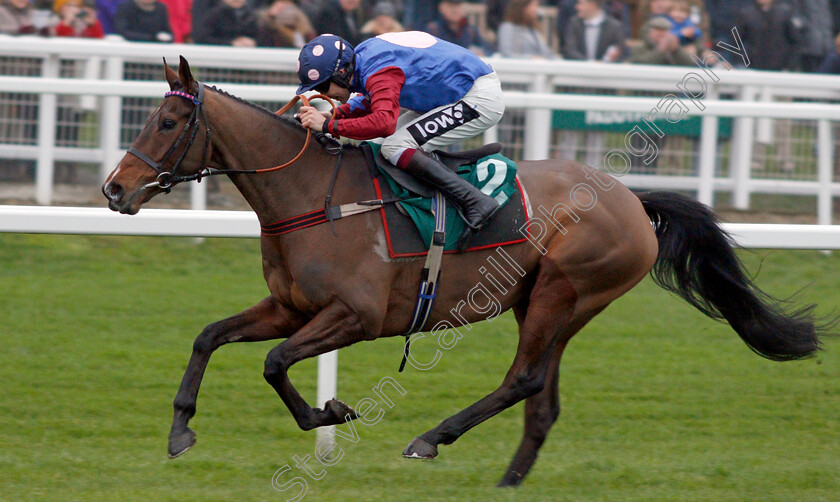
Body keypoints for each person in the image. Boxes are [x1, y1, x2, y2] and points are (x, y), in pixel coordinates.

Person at [295, 32, 505, 234]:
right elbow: (369, 100)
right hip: (455, 94)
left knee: (395, 146)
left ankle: (475, 201)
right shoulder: (363, 59)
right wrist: (332, 115)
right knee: (386, 145)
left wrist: (327, 127)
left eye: (322, 87)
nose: (323, 94)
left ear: (341, 73)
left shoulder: (378, 69)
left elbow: (384, 122)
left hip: (477, 99)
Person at [736, 0, 799, 71]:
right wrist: (743, 62)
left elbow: (794, 41)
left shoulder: (784, 14)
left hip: (779, 66)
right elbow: (736, 41)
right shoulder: (747, 14)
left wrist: (789, 65)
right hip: (753, 65)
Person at [425, 0, 491, 55]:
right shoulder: (434, 30)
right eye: (451, 6)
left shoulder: (471, 31)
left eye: (458, 6)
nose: (455, 10)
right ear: (441, 7)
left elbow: (487, 50)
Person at [628, 15, 693, 65]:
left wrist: (676, 50)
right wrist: (660, 50)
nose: (661, 34)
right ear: (649, 32)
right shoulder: (640, 47)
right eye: (658, 30)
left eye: (665, 30)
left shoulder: (673, 48)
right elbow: (639, 63)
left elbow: (690, 64)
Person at [195, 0, 260, 46]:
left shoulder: (252, 17)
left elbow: (262, 37)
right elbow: (202, 38)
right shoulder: (213, 16)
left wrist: (252, 42)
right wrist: (231, 43)